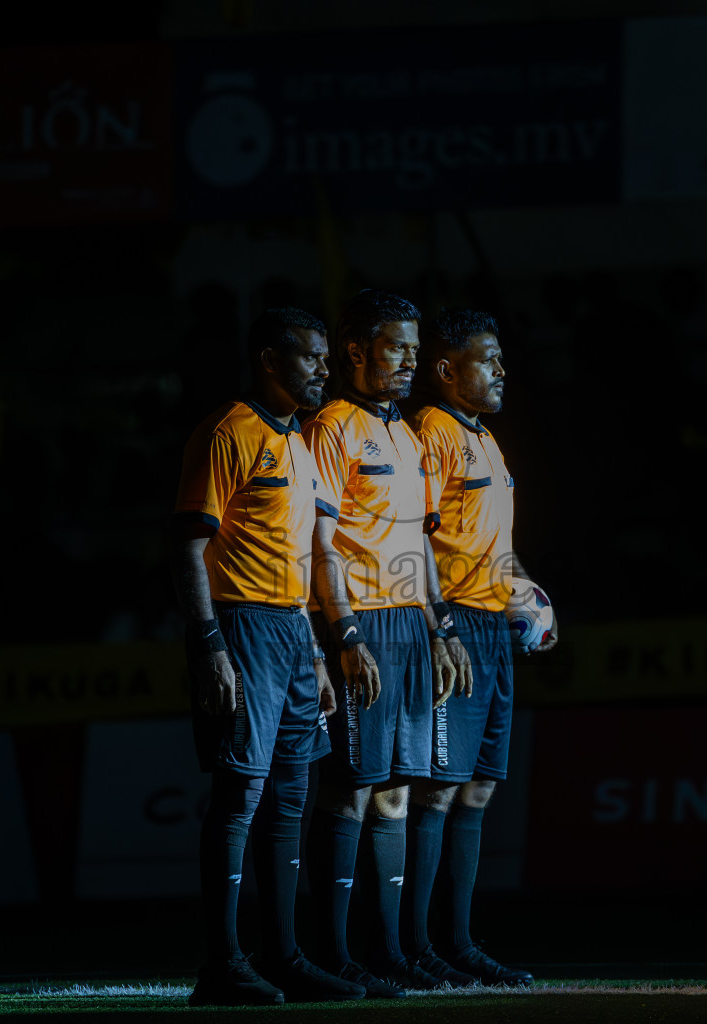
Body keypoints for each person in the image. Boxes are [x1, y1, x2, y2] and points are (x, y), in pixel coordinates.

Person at [170, 308, 368, 1006]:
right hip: (242, 628)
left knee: (291, 795)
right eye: (311, 357)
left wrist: (315, 648)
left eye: (325, 358)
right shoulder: (229, 432)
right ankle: (220, 965)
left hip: (289, 631)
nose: (324, 369)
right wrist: (210, 646)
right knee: (241, 794)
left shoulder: (303, 445)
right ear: (268, 361)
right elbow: (191, 547)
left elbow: (307, 555)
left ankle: (283, 957)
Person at [303, 290, 472, 996]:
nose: (409, 360)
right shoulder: (333, 427)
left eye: (412, 348)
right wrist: (342, 633)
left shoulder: (405, 433)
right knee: (348, 791)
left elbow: (421, 542)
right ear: (355, 352)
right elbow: (316, 540)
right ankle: (331, 953)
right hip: (359, 622)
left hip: (409, 620)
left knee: (395, 794)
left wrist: (440, 625)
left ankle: (392, 951)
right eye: (395, 347)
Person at [404, 308, 559, 986]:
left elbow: (493, 542)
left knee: (478, 790)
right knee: (435, 793)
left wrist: (527, 589)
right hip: (455, 626)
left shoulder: (486, 439)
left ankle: (460, 944)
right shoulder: (431, 434)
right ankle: (413, 948)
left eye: (501, 358)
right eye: (486, 358)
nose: (501, 370)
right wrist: (439, 627)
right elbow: (413, 537)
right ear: (445, 370)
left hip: (496, 626)